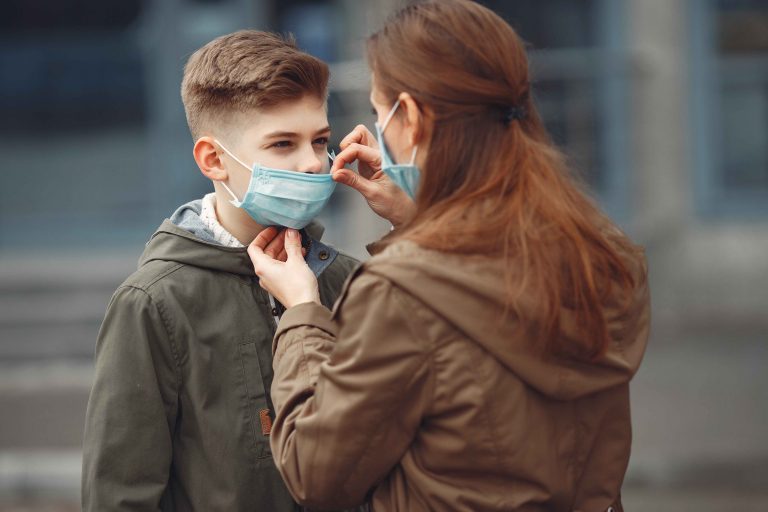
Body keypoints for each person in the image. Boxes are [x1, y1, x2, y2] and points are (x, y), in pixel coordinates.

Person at [247, 2, 650, 511]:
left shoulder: (404, 293)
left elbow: (315, 471)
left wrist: (304, 315)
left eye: (379, 112)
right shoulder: (597, 252)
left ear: (410, 117)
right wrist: (419, 220)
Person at [82, 30, 360, 511]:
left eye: (320, 140)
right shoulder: (154, 303)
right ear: (214, 160)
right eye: (281, 144)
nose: (313, 163)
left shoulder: (349, 281)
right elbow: (120, 493)